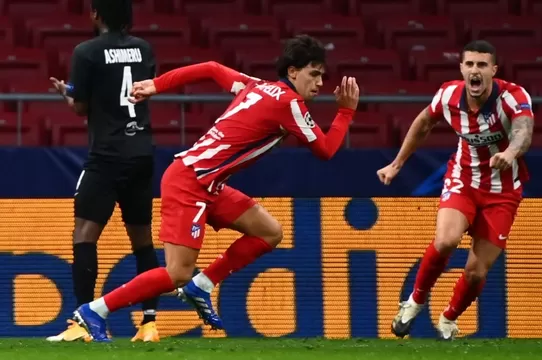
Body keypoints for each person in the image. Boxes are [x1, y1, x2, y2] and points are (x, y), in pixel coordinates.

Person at [70, 34, 360, 342]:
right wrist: (346, 111)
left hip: (207, 183)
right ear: (292, 72)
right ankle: (94, 311)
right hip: (191, 182)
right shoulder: (289, 103)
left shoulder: (255, 85)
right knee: (177, 272)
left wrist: (157, 84)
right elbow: (326, 150)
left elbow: (210, 68)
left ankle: (202, 286)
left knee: (269, 232)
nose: (319, 82)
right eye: (313, 74)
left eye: (322, 76)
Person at [377, 40, 534, 340]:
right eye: (470, 64)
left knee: (477, 272)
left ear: (494, 70)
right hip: (463, 178)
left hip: (503, 191)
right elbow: (423, 122)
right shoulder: (448, 94)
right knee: (447, 240)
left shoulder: (513, 97)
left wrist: (511, 154)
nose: (476, 71)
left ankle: (449, 317)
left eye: (482, 65)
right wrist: (397, 164)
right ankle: (414, 301)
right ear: (462, 68)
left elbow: (524, 133)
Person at [46, 0, 161, 343]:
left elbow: (81, 106)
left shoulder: (86, 51)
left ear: (95, 14)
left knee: (84, 234)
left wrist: (66, 95)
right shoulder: (144, 49)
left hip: (107, 153)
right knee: (142, 239)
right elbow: (132, 90)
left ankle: (83, 323)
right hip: (142, 151)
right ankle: (150, 324)